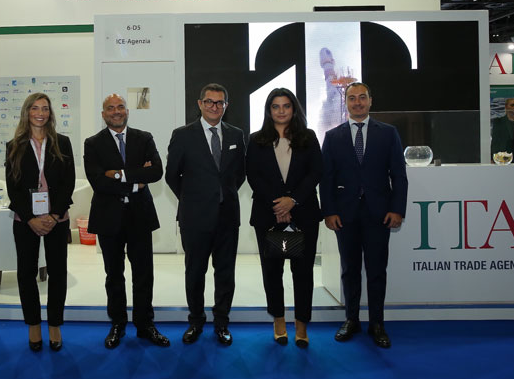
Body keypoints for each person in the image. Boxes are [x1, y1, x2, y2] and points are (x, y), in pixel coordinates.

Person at [320, 82, 407, 348]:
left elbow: (398, 175)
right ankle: (352, 320)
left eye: (362, 97)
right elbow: (326, 179)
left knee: (377, 271)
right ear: (345, 102)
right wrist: (329, 212)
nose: (357, 102)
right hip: (344, 216)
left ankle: (377, 324)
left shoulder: (388, 133)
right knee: (349, 270)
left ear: (370, 101)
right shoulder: (332, 137)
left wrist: (397, 209)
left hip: (379, 214)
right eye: (352, 98)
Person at [84, 94, 170, 349]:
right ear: (103, 114)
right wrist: (135, 182)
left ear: (127, 111)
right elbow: (97, 181)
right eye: (110, 108)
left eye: (120, 106)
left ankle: (145, 325)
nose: (116, 111)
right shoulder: (93, 143)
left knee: (144, 274)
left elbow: (156, 171)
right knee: (114, 274)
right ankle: (118, 323)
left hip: (139, 217)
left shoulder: (144, 138)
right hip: (108, 218)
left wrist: (118, 174)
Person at [165, 83, 246, 346]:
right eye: (209, 102)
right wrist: (193, 199)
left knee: (225, 274)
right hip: (194, 218)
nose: (214, 107)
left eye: (219, 102)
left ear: (226, 106)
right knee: (195, 273)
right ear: (200, 104)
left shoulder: (236, 135)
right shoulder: (182, 135)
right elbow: (172, 175)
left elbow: (239, 174)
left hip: (227, 218)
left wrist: (221, 196)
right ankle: (196, 321)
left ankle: (221, 323)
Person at [246, 88, 322, 348]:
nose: (281, 111)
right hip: (269, 216)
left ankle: (301, 325)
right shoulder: (257, 140)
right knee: (273, 271)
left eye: (286, 106)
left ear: (294, 109)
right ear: (269, 110)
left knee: (303, 272)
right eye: (275, 106)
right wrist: (279, 205)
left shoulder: (308, 137)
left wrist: (293, 200)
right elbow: (253, 176)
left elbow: (316, 172)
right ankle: (279, 320)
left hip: (304, 215)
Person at [5, 92, 75, 352]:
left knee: (58, 272)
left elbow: (69, 182)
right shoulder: (14, 145)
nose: (40, 113)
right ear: (27, 112)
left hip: (57, 218)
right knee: (26, 273)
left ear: (50, 113)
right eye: (35, 108)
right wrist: (31, 218)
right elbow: (12, 188)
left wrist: (54, 215)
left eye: (45, 108)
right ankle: (33, 325)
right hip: (26, 220)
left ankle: (54, 324)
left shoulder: (62, 143)